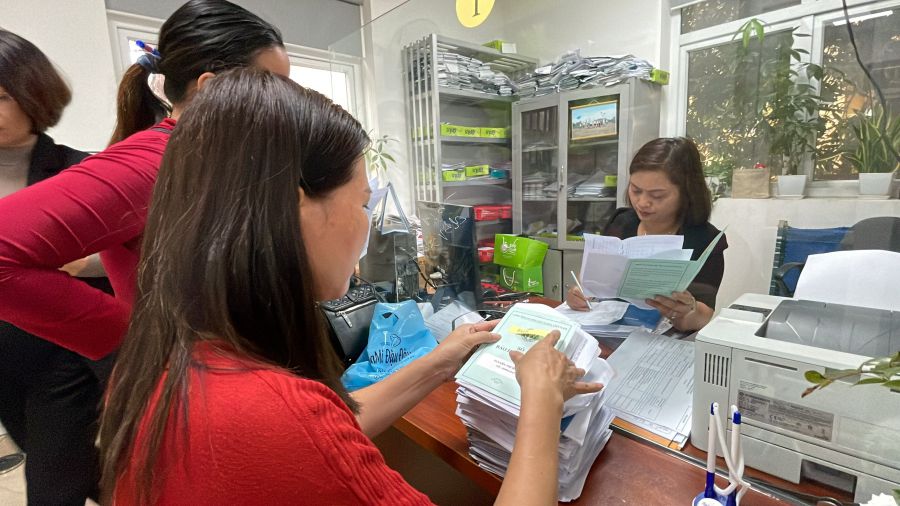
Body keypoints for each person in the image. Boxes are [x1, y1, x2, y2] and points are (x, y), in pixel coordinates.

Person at [99, 68, 602, 505]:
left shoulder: (172, 359)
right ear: (296, 207)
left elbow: (333, 431)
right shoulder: (270, 415)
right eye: (363, 203)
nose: (367, 224)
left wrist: (441, 361)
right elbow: (305, 435)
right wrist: (542, 402)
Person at [0, 0, 288, 361]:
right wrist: (136, 339)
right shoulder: (155, 162)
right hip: (192, 380)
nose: (286, 105)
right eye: (274, 88)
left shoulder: (215, 163)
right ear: (210, 89)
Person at [0, 29, 118, 505]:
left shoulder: (80, 172)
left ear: (33, 93)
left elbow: (137, 259)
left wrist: (82, 263)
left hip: (61, 361)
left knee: (52, 489)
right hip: (5, 362)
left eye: (2, 97)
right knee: (70, 470)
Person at [567, 137, 728, 332]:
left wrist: (686, 312)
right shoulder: (621, 222)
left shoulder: (705, 240)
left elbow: (703, 317)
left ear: (687, 193)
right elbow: (590, 286)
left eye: (657, 195)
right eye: (636, 190)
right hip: (607, 332)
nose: (642, 203)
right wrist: (578, 295)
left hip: (662, 341)